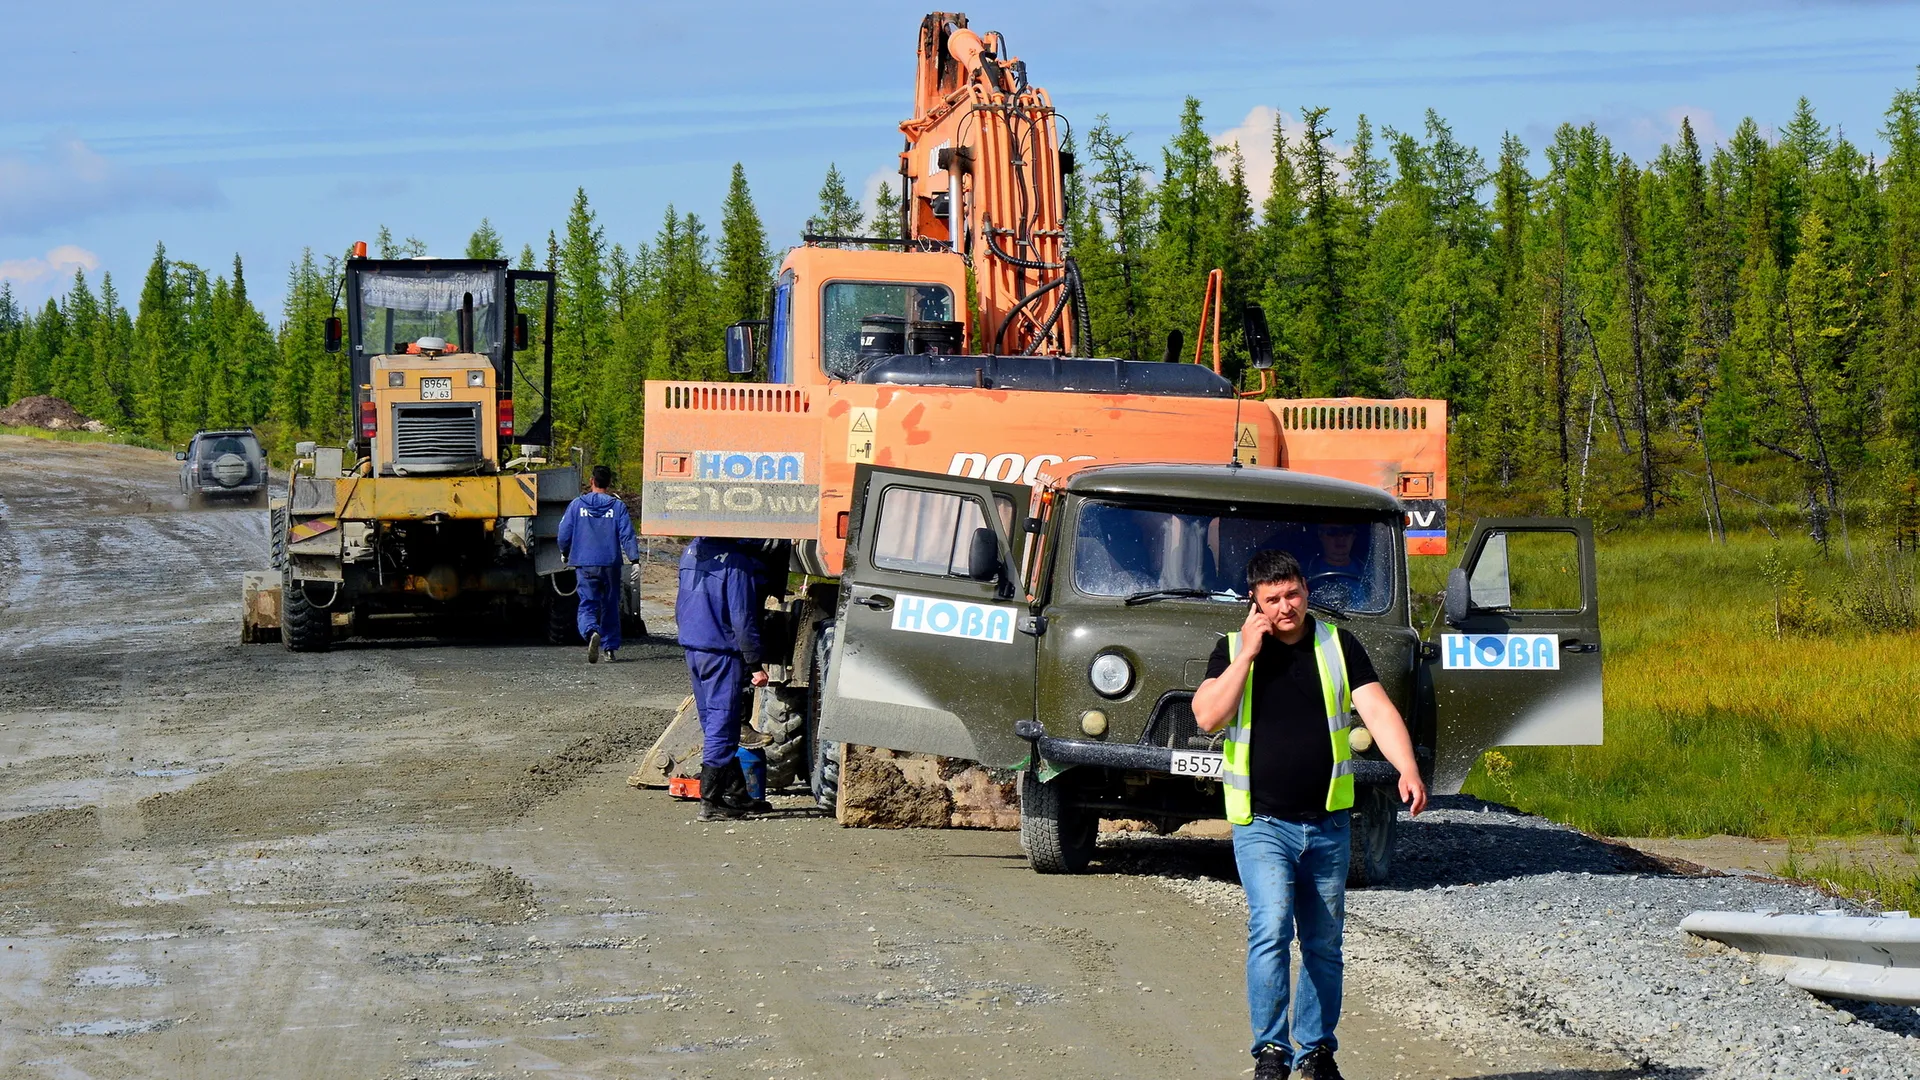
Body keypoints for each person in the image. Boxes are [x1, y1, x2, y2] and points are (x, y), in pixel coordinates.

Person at [1191, 549, 1428, 1080]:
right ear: (1254, 602)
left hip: (1327, 824)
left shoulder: (1337, 644)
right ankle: (1271, 1052)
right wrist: (1247, 655)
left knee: (1323, 942)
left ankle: (1316, 1051)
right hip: (1263, 825)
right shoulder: (1231, 649)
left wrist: (1406, 767)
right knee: (1271, 928)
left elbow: (1378, 710)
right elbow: (1208, 716)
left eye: (1293, 594)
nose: (1285, 607)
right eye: (1272, 599)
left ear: (1305, 590)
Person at [676, 537, 771, 821]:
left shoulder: (691, 550)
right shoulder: (736, 561)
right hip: (720, 651)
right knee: (722, 722)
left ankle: (736, 793)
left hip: (694, 647)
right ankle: (711, 802)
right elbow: (743, 617)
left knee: (712, 721)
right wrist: (755, 662)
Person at [557, 465, 639, 664]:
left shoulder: (577, 505)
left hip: (585, 563)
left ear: (592, 481)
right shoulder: (617, 506)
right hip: (610, 563)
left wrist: (565, 552)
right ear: (609, 483)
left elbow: (564, 532)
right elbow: (627, 534)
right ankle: (609, 649)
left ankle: (591, 630)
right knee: (610, 605)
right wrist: (635, 560)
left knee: (588, 603)